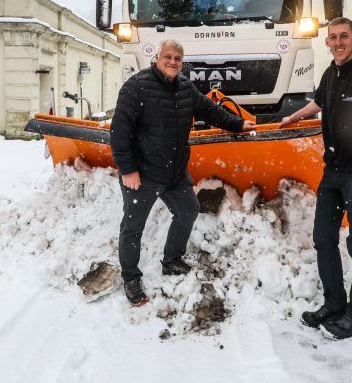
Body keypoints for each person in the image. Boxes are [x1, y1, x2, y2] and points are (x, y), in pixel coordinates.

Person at [110, 40, 256, 305]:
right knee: (133, 227)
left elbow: (210, 111)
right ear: (157, 57)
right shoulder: (137, 86)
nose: (173, 62)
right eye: (168, 56)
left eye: (178, 58)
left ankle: (172, 260)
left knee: (188, 210)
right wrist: (128, 169)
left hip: (174, 173)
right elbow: (119, 132)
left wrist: (237, 123)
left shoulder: (185, 87)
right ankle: (131, 277)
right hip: (142, 173)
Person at [280, 17, 352, 339]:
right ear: (327, 42)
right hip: (332, 173)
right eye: (332, 37)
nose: (338, 42)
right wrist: (292, 117)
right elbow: (319, 102)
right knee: (324, 238)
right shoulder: (330, 74)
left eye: (344, 36)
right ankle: (334, 303)